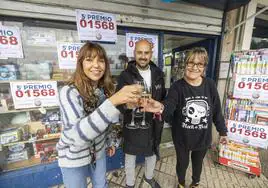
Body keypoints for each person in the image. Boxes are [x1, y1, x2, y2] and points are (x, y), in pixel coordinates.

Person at [56, 42, 143, 188]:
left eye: (101, 60)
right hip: (74, 154)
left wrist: (110, 141)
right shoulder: (69, 92)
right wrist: (114, 100)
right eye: (89, 60)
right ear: (80, 63)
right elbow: (77, 136)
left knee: (101, 185)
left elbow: (110, 120)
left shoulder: (104, 90)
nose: (96, 65)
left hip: (98, 150)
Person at [142, 47, 228, 188]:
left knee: (198, 163)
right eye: (190, 63)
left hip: (203, 137)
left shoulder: (210, 85)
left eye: (199, 64)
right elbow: (169, 105)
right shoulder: (177, 87)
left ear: (204, 67)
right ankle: (181, 183)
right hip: (182, 137)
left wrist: (222, 131)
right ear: (185, 64)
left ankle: (195, 183)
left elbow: (216, 110)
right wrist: (161, 107)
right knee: (182, 164)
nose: (194, 67)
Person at [116, 39, 166, 188]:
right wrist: (127, 105)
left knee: (152, 153)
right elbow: (117, 103)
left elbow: (163, 97)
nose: (143, 56)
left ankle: (148, 178)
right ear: (134, 53)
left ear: (151, 54)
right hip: (133, 123)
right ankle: (130, 184)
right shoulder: (125, 75)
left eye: (146, 52)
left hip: (153, 122)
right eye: (140, 52)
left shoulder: (158, 74)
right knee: (130, 155)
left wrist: (159, 107)